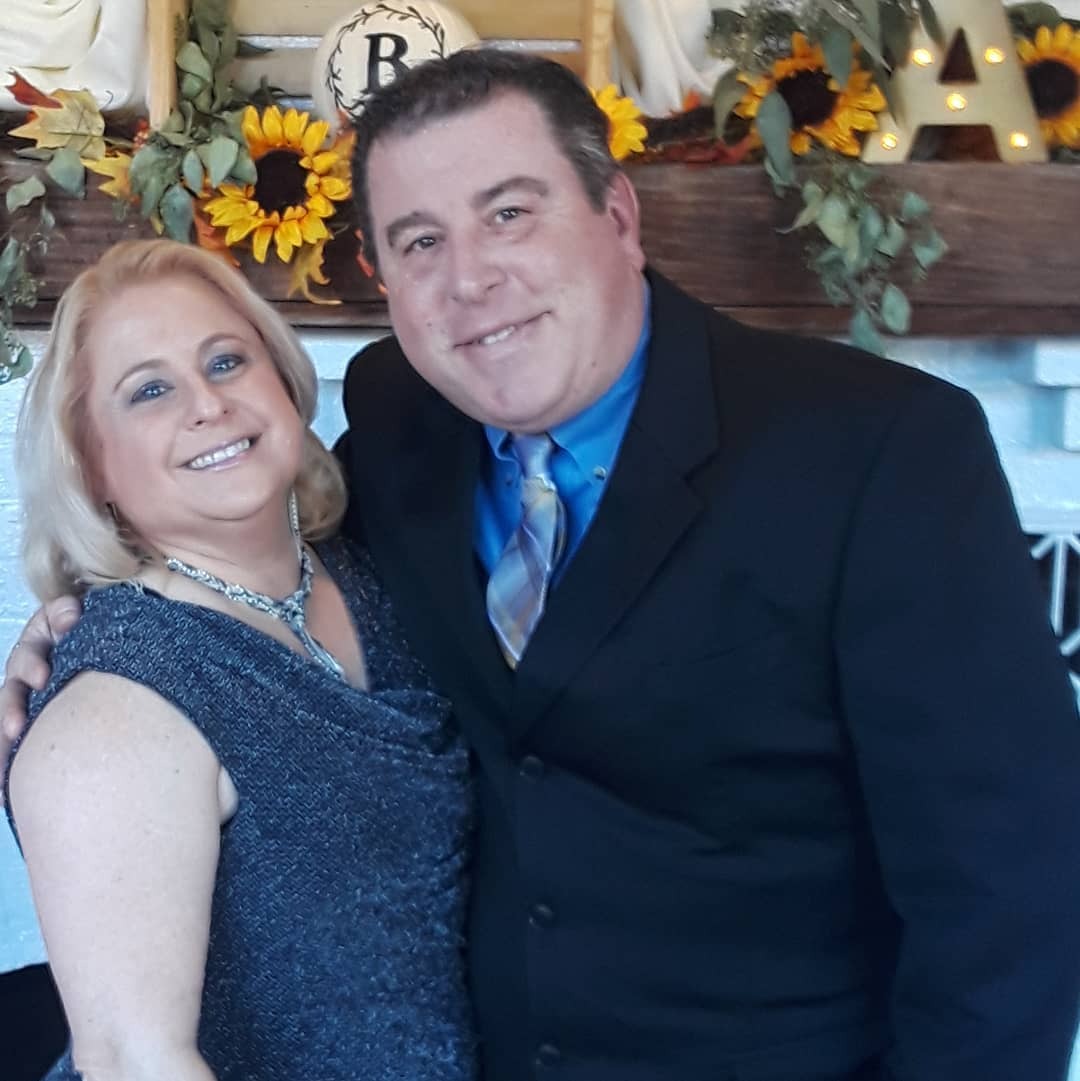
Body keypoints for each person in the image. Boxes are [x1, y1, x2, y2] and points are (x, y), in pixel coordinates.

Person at [5, 48, 1080, 1081]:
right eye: (420, 241)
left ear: (618, 214)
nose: (471, 278)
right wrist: (88, 634)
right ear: (381, 275)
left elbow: (1008, 891)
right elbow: (221, 590)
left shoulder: (879, 450)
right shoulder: (402, 421)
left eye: (510, 213)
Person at [3, 239, 475, 1080]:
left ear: (284, 383)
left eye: (226, 360)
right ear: (91, 460)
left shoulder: (369, 568)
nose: (209, 403)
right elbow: (134, 1064)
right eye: (150, 390)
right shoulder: (113, 710)